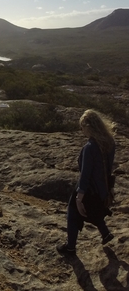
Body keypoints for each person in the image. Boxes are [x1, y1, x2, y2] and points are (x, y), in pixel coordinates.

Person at [57, 109, 116, 255]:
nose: (82, 130)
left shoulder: (90, 147)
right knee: (95, 210)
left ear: (89, 126)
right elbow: (107, 168)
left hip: (89, 189)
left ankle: (70, 247)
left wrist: (79, 197)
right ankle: (105, 233)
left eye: (82, 127)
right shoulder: (110, 142)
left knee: (73, 213)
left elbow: (85, 174)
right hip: (103, 188)